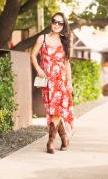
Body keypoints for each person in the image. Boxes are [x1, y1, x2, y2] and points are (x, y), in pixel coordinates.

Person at [31, 12, 74, 154]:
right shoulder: (42, 38)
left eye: (60, 23)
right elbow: (33, 55)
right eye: (54, 21)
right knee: (52, 110)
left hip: (61, 82)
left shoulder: (66, 41)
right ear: (51, 22)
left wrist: (69, 82)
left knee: (56, 110)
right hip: (48, 82)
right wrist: (38, 69)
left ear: (64, 25)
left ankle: (50, 142)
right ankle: (64, 137)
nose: (56, 25)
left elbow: (67, 64)